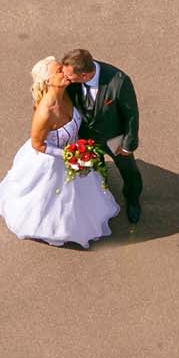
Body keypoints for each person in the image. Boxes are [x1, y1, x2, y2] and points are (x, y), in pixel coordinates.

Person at [0, 57, 120, 248]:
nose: (65, 72)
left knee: (82, 196)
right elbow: (37, 144)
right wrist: (68, 155)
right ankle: (60, 228)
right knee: (58, 202)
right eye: (59, 71)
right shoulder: (44, 113)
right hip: (51, 161)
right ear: (48, 81)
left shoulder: (68, 93)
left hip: (74, 152)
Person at [61, 48, 142, 225]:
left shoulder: (119, 82)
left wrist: (128, 145)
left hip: (115, 138)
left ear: (84, 75)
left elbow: (131, 115)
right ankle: (101, 193)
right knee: (94, 169)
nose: (66, 79)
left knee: (128, 170)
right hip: (87, 137)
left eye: (69, 77)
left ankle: (132, 199)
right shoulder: (72, 80)